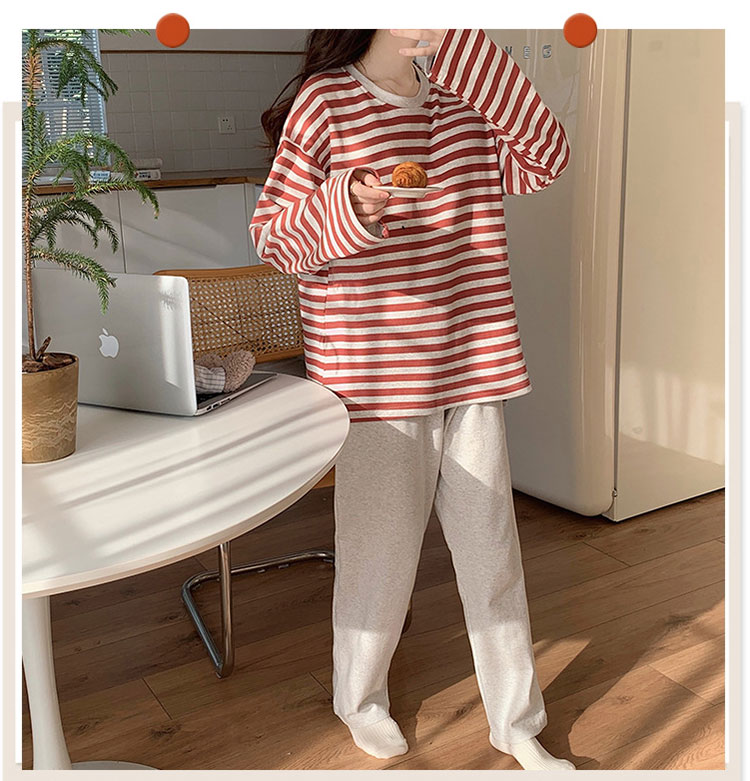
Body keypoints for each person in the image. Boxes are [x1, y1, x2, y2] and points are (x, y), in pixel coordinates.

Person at [250, 29, 574, 771]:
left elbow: (547, 157)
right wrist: (349, 204)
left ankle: (515, 721)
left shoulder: (468, 96)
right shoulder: (326, 102)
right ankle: (359, 699)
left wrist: (463, 46)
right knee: (379, 560)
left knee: (493, 555)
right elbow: (273, 240)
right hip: (374, 378)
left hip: (471, 362)